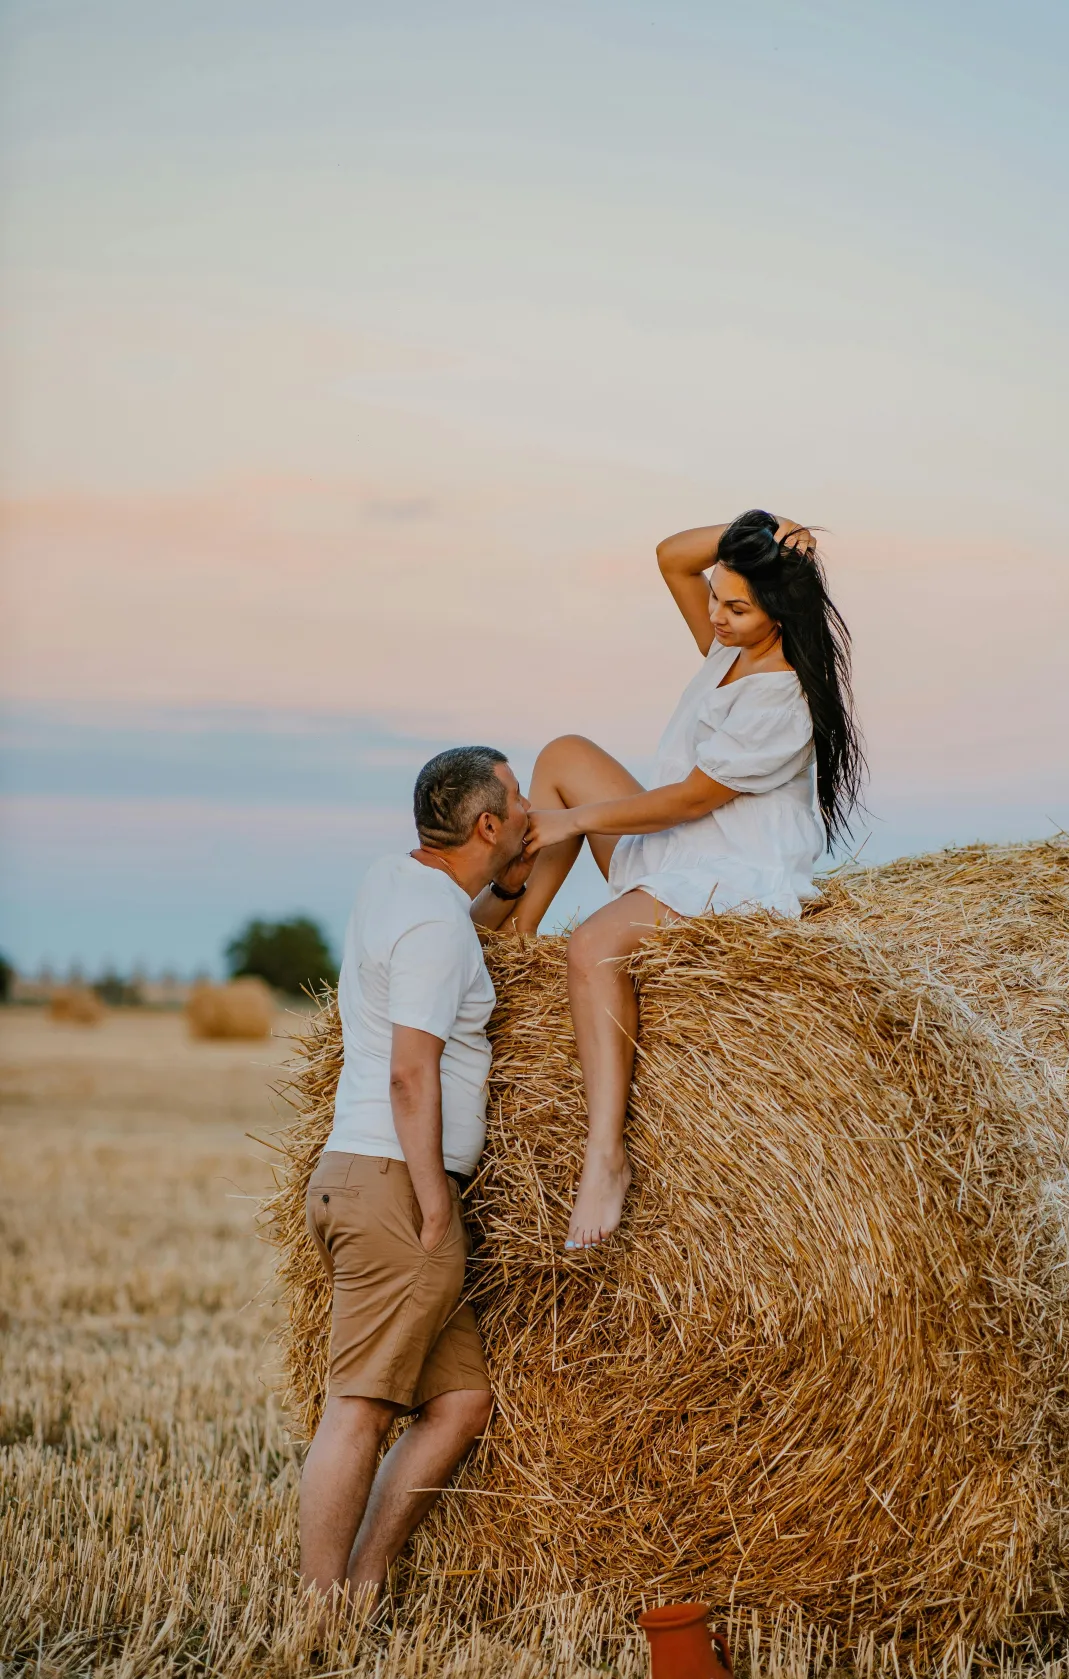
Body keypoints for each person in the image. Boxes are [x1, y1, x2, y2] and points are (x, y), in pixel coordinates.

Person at [515, 510, 865, 1252]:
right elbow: (673, 555)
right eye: (718, 600)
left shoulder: (783, 699)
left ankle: (605, 1156)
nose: (717, 617)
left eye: (737, 607)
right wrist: (770, 523)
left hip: (730, 868)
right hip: (674, 848)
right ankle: (511, 950)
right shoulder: (727, 649)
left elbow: (691, 800)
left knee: (593, 948)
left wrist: (575, 825)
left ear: (781, 611)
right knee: (563, 755)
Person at [299, 745, 538, 1614]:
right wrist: (437, 1201)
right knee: (359, 1408)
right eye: (516, 803)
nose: (529, 812)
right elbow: (412, 1072)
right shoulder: (438, 928)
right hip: (398, 1181)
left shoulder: (396, 884)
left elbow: (446, 934)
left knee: (462, 1400)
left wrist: (507, 887)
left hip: (356, 1174)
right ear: (486, 825)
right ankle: (318, 1614)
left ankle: (364, 1585)